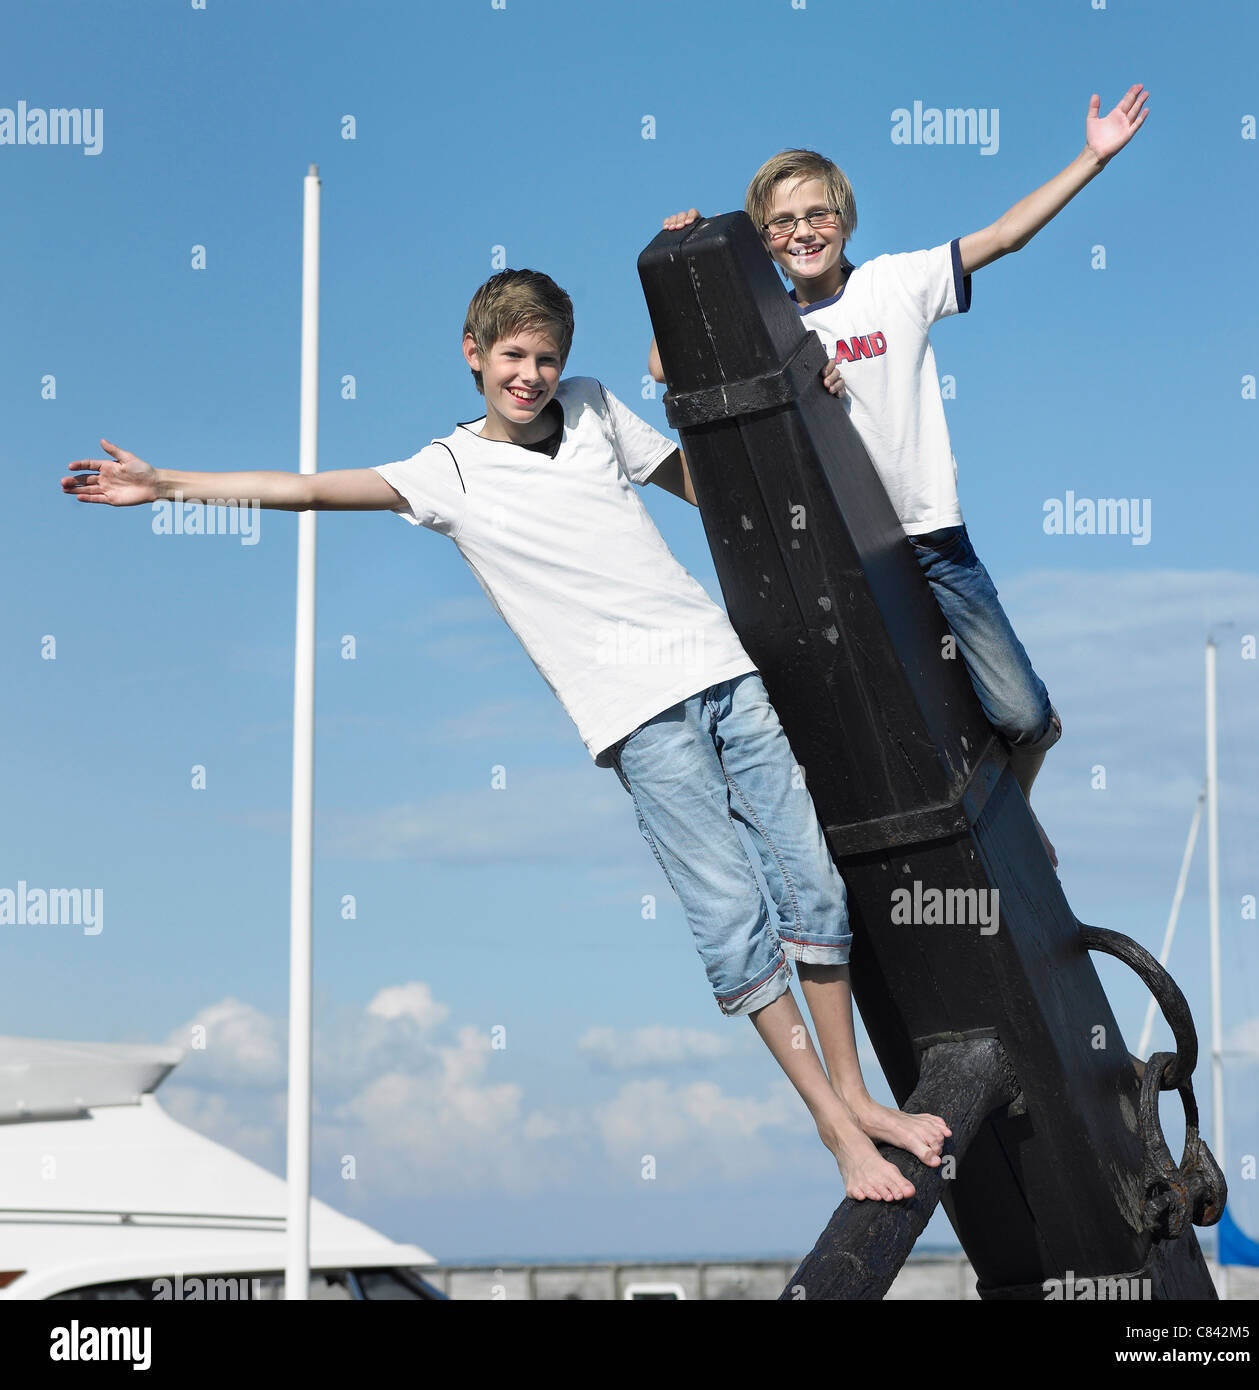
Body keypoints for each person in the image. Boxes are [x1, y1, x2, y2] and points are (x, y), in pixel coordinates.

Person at [61, 267, 950, 1204]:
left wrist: (796, 439)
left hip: (723, 670)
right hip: (637, 717)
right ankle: (831, 1126)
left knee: (811, 880)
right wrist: (168, 485)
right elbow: (310, 487)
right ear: (474, 354)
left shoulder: (599, 408)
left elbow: (706, 486)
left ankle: (862, 1098)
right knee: (734, 921)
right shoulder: (446, 472)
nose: (530, 375)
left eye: (547, 357)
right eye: (514, 357)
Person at [649, 86, 1152, 868]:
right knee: (876, 739)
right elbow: (662, 362)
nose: (803, 231)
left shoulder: (897, 283)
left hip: (931, 538)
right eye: (781, 223)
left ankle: (1012, 819)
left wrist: (1092, 156)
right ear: (764, 243)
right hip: (846, 554)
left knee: (1022, 715)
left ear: (844, 219)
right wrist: (687, 259)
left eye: (817, 214)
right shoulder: (770, 325)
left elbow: (1005, 236)